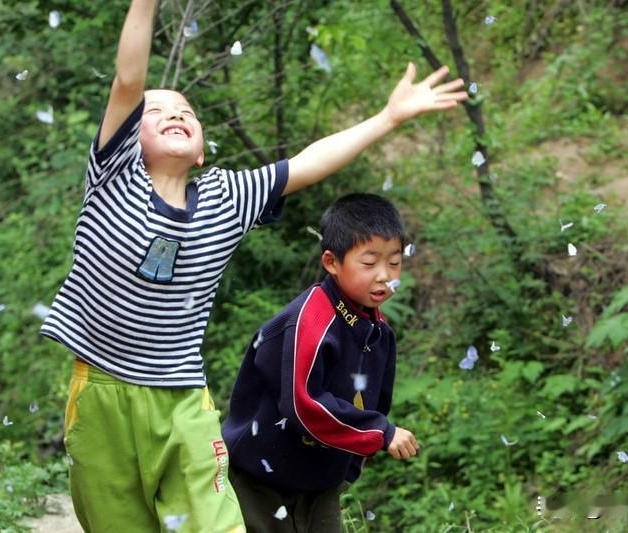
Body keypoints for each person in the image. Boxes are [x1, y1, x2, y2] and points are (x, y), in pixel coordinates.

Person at [39, 0, 466, 531]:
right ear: (128, 141)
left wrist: (388, 117)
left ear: (199, 151)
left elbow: (309, 162)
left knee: (218, 523)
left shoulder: (226, 196)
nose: (174, 114)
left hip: (182, 397)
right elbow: (129, 79)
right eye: (155, 112)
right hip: (102, 389)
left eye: (186, 111)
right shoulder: (112, 181)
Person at [222, 193, 417, 532]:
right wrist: (380, 433)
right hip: (260, 476)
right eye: (370, 264)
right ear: (331, 262)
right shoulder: (310, 320)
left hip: (321, 480)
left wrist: (350, 466)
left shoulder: (380, 333)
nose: (385, 275)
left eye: (395, 262)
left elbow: (375, 403)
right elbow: (303, 403)